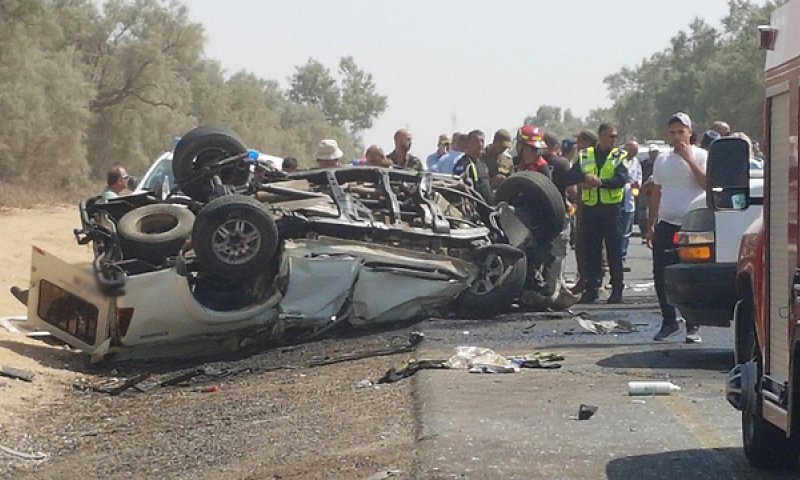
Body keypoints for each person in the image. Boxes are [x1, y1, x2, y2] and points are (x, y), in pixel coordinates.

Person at [647, 112, 708, 343]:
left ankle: (693, 325)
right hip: (667, 223)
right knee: (661, 273)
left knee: (691, 275)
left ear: (690, 133)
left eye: (681, 132)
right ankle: (669, 321)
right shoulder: (662, 160)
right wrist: (651, 225)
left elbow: (706, 183)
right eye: (672, 132)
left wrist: (688, 159)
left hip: (692, 224)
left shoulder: (701, 155)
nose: (676, 137)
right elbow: (657, 192)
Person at [562, 124, 629, 304]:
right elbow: (570, 176)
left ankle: (617, 289)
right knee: (591, 251)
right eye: (610, 136)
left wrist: (600, 182)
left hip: (611, 210)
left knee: (614, 252)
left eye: (615, 137)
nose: (614, 140)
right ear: (600, 136)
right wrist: (584, 178)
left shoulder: (618, 156)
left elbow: (621, 179)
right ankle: (591, 289)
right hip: (591, 209)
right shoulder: (586, 155)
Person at [569, 130, 599, 295]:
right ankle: (584, 278)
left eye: (580, 141)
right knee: (580, 245)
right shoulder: (582, 158)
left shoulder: (595, 157)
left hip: (598, 207)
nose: (577, 145)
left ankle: (596, 281)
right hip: (583, 206)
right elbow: (572, 176)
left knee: (595, 247)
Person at [453, 130, 494, 203]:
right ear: (468, 144)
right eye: (477, 141)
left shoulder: (482, 164)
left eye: (482, 141)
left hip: (488, 206)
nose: (480, 145)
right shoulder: (464, 164)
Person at [621, 141, 642, 265]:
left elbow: (639, 178)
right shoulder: (618, 160)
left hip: (629, 202)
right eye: (631, 151)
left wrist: (636, 184)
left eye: (635, 152)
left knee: (626, 232)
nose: (633, 154)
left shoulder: (636, 162)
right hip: (616, 201)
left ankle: (622, 256)